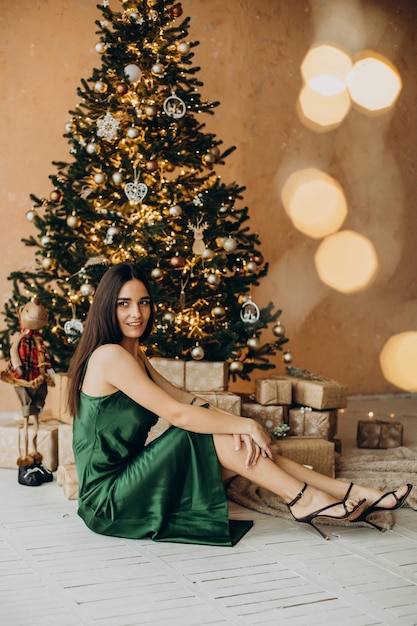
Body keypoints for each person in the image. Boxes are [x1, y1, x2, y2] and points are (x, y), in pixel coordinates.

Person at [67, 262, 413, 545]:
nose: (136, 313)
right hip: (108, 500)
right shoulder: (108, 357)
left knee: (232, 437)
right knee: (206, 433)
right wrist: (245, 424)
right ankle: (304, 500)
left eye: (143, 302)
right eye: (123, 304)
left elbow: (188, 399)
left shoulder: (134, 355)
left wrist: (245, 428)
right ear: (106, 307)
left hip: (134, 480)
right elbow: (175, 414)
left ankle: (352, 493)